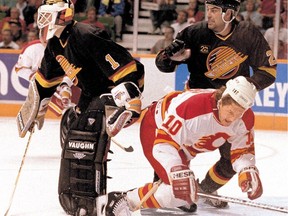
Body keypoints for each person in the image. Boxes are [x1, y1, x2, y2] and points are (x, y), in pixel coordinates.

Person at [16, 0, 145, 215]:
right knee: (71, 126)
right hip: (89, 94)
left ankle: (90, 197)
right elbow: (44, 82)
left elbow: (126, 66)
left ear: (63, 16)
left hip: (111, 91)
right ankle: (78, 192)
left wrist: (129, 97)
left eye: (48, 17)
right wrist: (35, 109)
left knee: (84, 138)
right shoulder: (56, 45)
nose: (43, 22)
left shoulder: (86, 34)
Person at [153, 0, 276, 212]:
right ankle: (165, 188)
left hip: (230, 108)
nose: (208, 15)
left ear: (229, 13)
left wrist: (241, 89)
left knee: (231, 161)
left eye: (214, 11)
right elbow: (164, 66)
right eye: (207, 9)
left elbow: (268, 72)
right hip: (196, 107)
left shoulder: (247, 33)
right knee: (174, 149)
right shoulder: (194, 33)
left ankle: (205, 190)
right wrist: (167, 56)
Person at [98, 76, 264, 216]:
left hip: (184, 144)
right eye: (230, 111)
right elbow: (163, 144)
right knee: (179, 194)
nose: (233, 119)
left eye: (239, 113)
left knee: (184, 194)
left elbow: (242, 150)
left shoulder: (245, 119)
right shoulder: (194, 108)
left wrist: (246, 169)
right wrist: (176, 169)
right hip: (156, 129)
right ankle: (122, 199)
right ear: (222, 100)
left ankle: (163, 186)